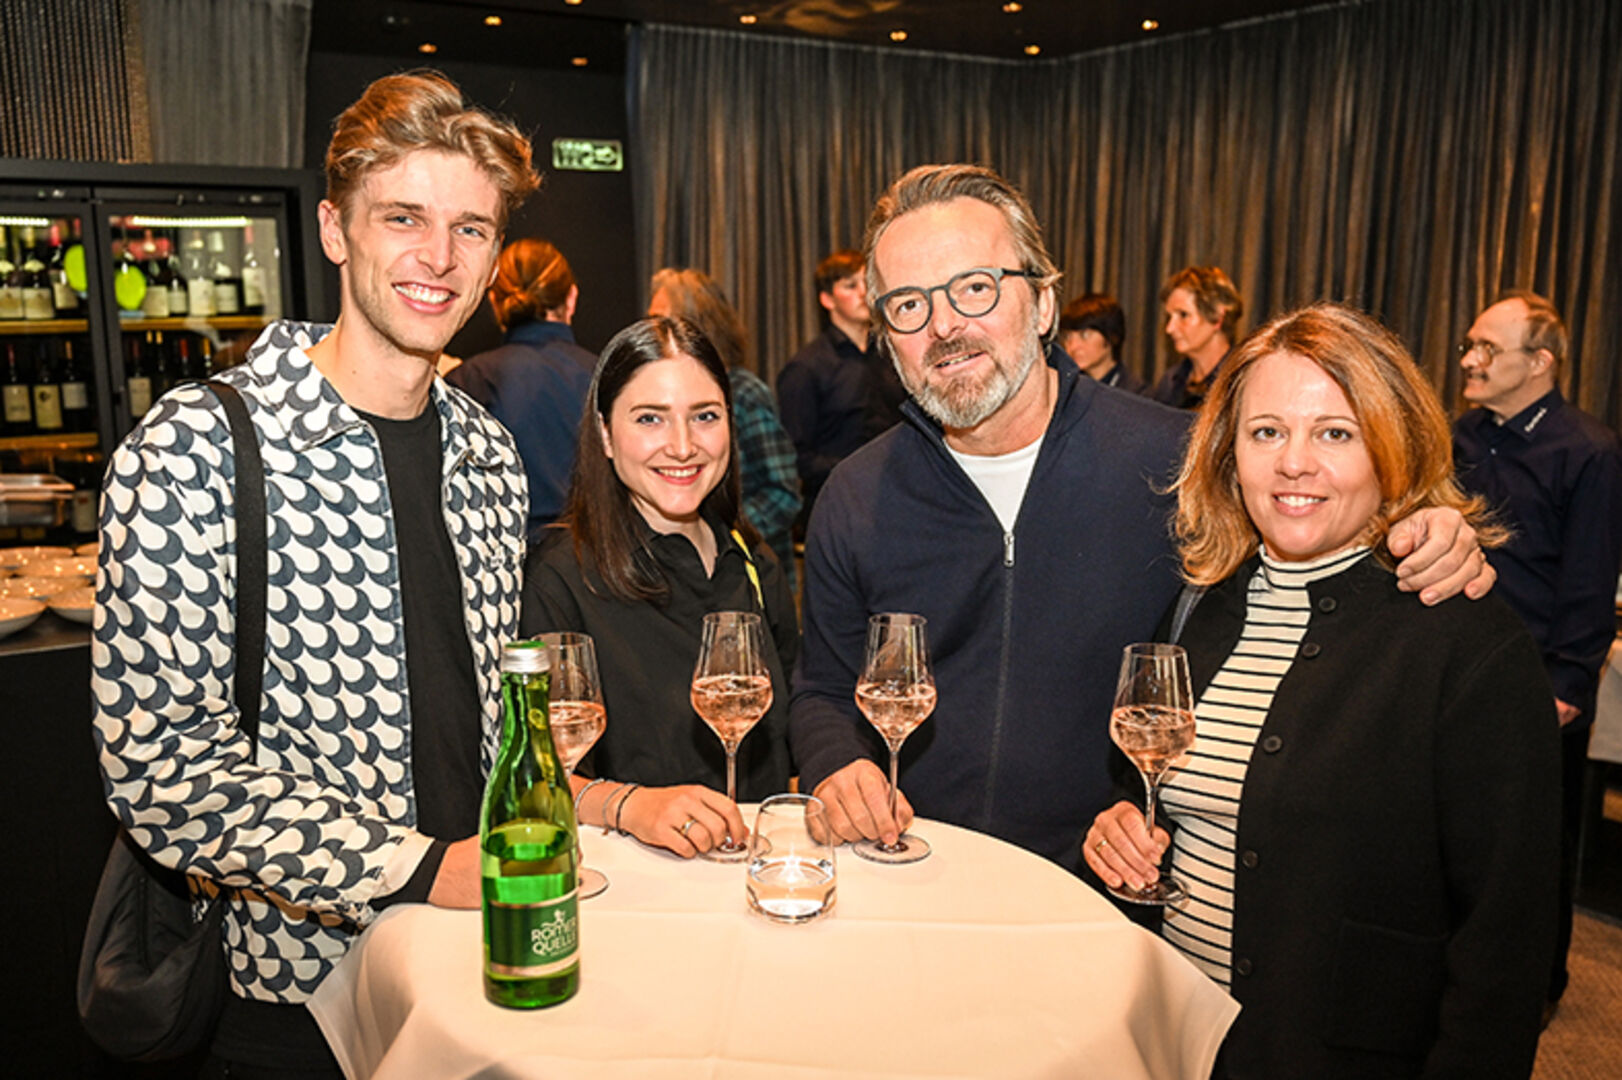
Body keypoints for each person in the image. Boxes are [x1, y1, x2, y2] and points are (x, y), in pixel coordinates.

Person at [789, 163, 1493, 878]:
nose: (944, 326)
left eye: (975, 288)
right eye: (908, 304)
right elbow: (821, 688)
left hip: (1115, 894)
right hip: (914, 875)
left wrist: (1418, 527)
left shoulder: (1177, 461)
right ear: (885, 336)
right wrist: (834, 762)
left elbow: (1314, 527)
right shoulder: (856, 494)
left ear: (1041, 304)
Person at [92, 72, 536, 1077]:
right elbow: (161, 774)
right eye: (404, 218)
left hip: (481, 952)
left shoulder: (487, 450)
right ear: (336, 230)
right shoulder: (198, 449)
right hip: (295, 982)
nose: (438, 257)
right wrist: (422, 868)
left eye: (471, 229)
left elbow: (488, 708)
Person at [1086, 302, 1559, 1078]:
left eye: (1334, 433)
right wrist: (1117, 828)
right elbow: (1158, 796)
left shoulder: (1465, 639)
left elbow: (1506, 943)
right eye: (1266, 431)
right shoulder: (1200, 604)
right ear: (1229, 452)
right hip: (1170, 1043)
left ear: (1389, 445)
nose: (1293, 462)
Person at [521, 316, 797, 855]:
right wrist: (630, 805)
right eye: (650, 418)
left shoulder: (753, 561)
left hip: (752, 873)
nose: (683, 446)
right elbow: (532, 781)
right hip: (635, 885)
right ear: (604, 432)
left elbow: (792, 738)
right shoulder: (558, 578)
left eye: (705, 417)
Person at [1452, 290, 1622, 1024]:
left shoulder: (1588, 451)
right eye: (1469, 345)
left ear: (1540, 362)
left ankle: (1537, 986)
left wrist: (1567, 685)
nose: (1468, 360)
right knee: (1462, 831)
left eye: (1487, 349)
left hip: (1539, 681)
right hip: (1460, 669)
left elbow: (1589, 580)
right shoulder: (1463, 435)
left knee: (1536, 845)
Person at [648, 267, 801, 591]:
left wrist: (720, 537)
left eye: (661, 319)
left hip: (749, 583)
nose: (651, 331)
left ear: (695, 325)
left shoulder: (743, 393)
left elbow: (783, 493)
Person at [445, 237, 595, 539]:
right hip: (596, 561)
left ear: (493, 302)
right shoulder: (606, 375)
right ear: (572, 298)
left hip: (506, 563)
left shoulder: (469, 381)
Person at [777, 248, 907, 521]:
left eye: (867, 284)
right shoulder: (806, 367)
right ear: (827, 299)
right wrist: (859, 469)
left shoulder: (895, 356)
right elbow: (794, 457)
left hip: (901, 498)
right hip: (837, 506)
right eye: (850, 285)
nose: (864, 293)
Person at [1154, 265, 1241, 409]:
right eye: (1169, 317)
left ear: (1218, 317)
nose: (1169, 328)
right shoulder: (1170, 383)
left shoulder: (1239, 382)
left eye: (1183, 315)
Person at [1056, 291, 1146, 393]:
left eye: (1084, 335)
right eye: (1068, 337)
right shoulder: (1066, 389)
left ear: (1111, 336)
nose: (1073, 346)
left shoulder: (1136, 394)